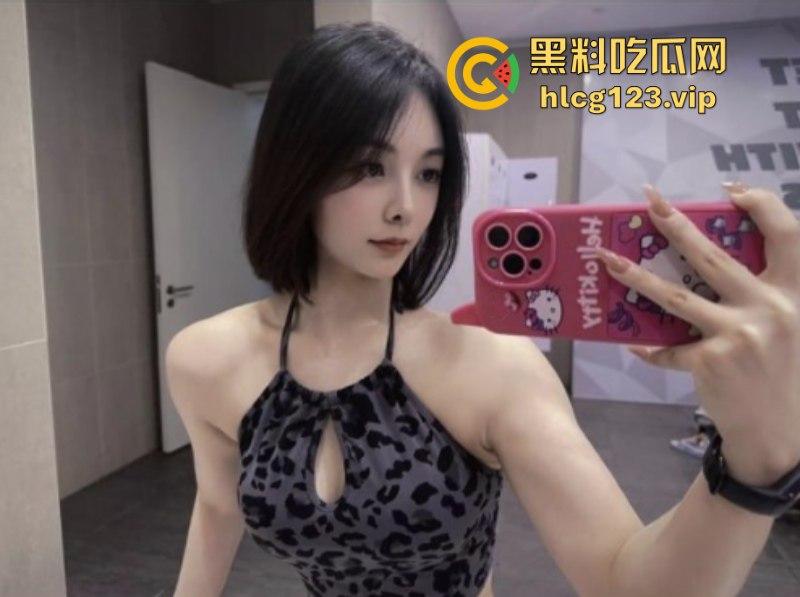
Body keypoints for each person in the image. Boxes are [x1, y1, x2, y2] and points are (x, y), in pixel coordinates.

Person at [165, 21, 800, 597]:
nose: (406, 207)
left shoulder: (488, 365)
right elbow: (219, 506)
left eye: (429, 174)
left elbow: (625, 582)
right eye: (368, 167)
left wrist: (758, 456)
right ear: (294, 169)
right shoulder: (206, 359)